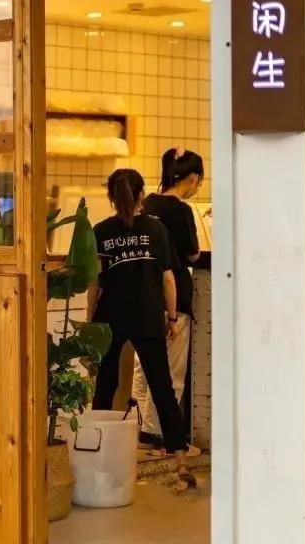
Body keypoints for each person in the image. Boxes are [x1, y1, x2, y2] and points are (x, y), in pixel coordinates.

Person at [88, 168, 196, 488]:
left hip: (111, 317)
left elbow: (95, 283)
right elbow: (168, 279)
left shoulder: (101, 231)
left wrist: (91, 319)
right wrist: (172, 317)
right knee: (162, 387)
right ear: (140, 195)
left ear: (111, 196)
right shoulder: (155, 229)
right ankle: (180, 461)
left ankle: (96, 457)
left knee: (106, 386)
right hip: (147, 316)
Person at [132, 148, 204, 454]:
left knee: (143, 367)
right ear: (192, 178)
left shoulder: (145, 204)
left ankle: (138, 428)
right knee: (172, 372)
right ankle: (158, 433)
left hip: (143, 296)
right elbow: (193, 255)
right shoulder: (181, 211)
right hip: (173, 299)